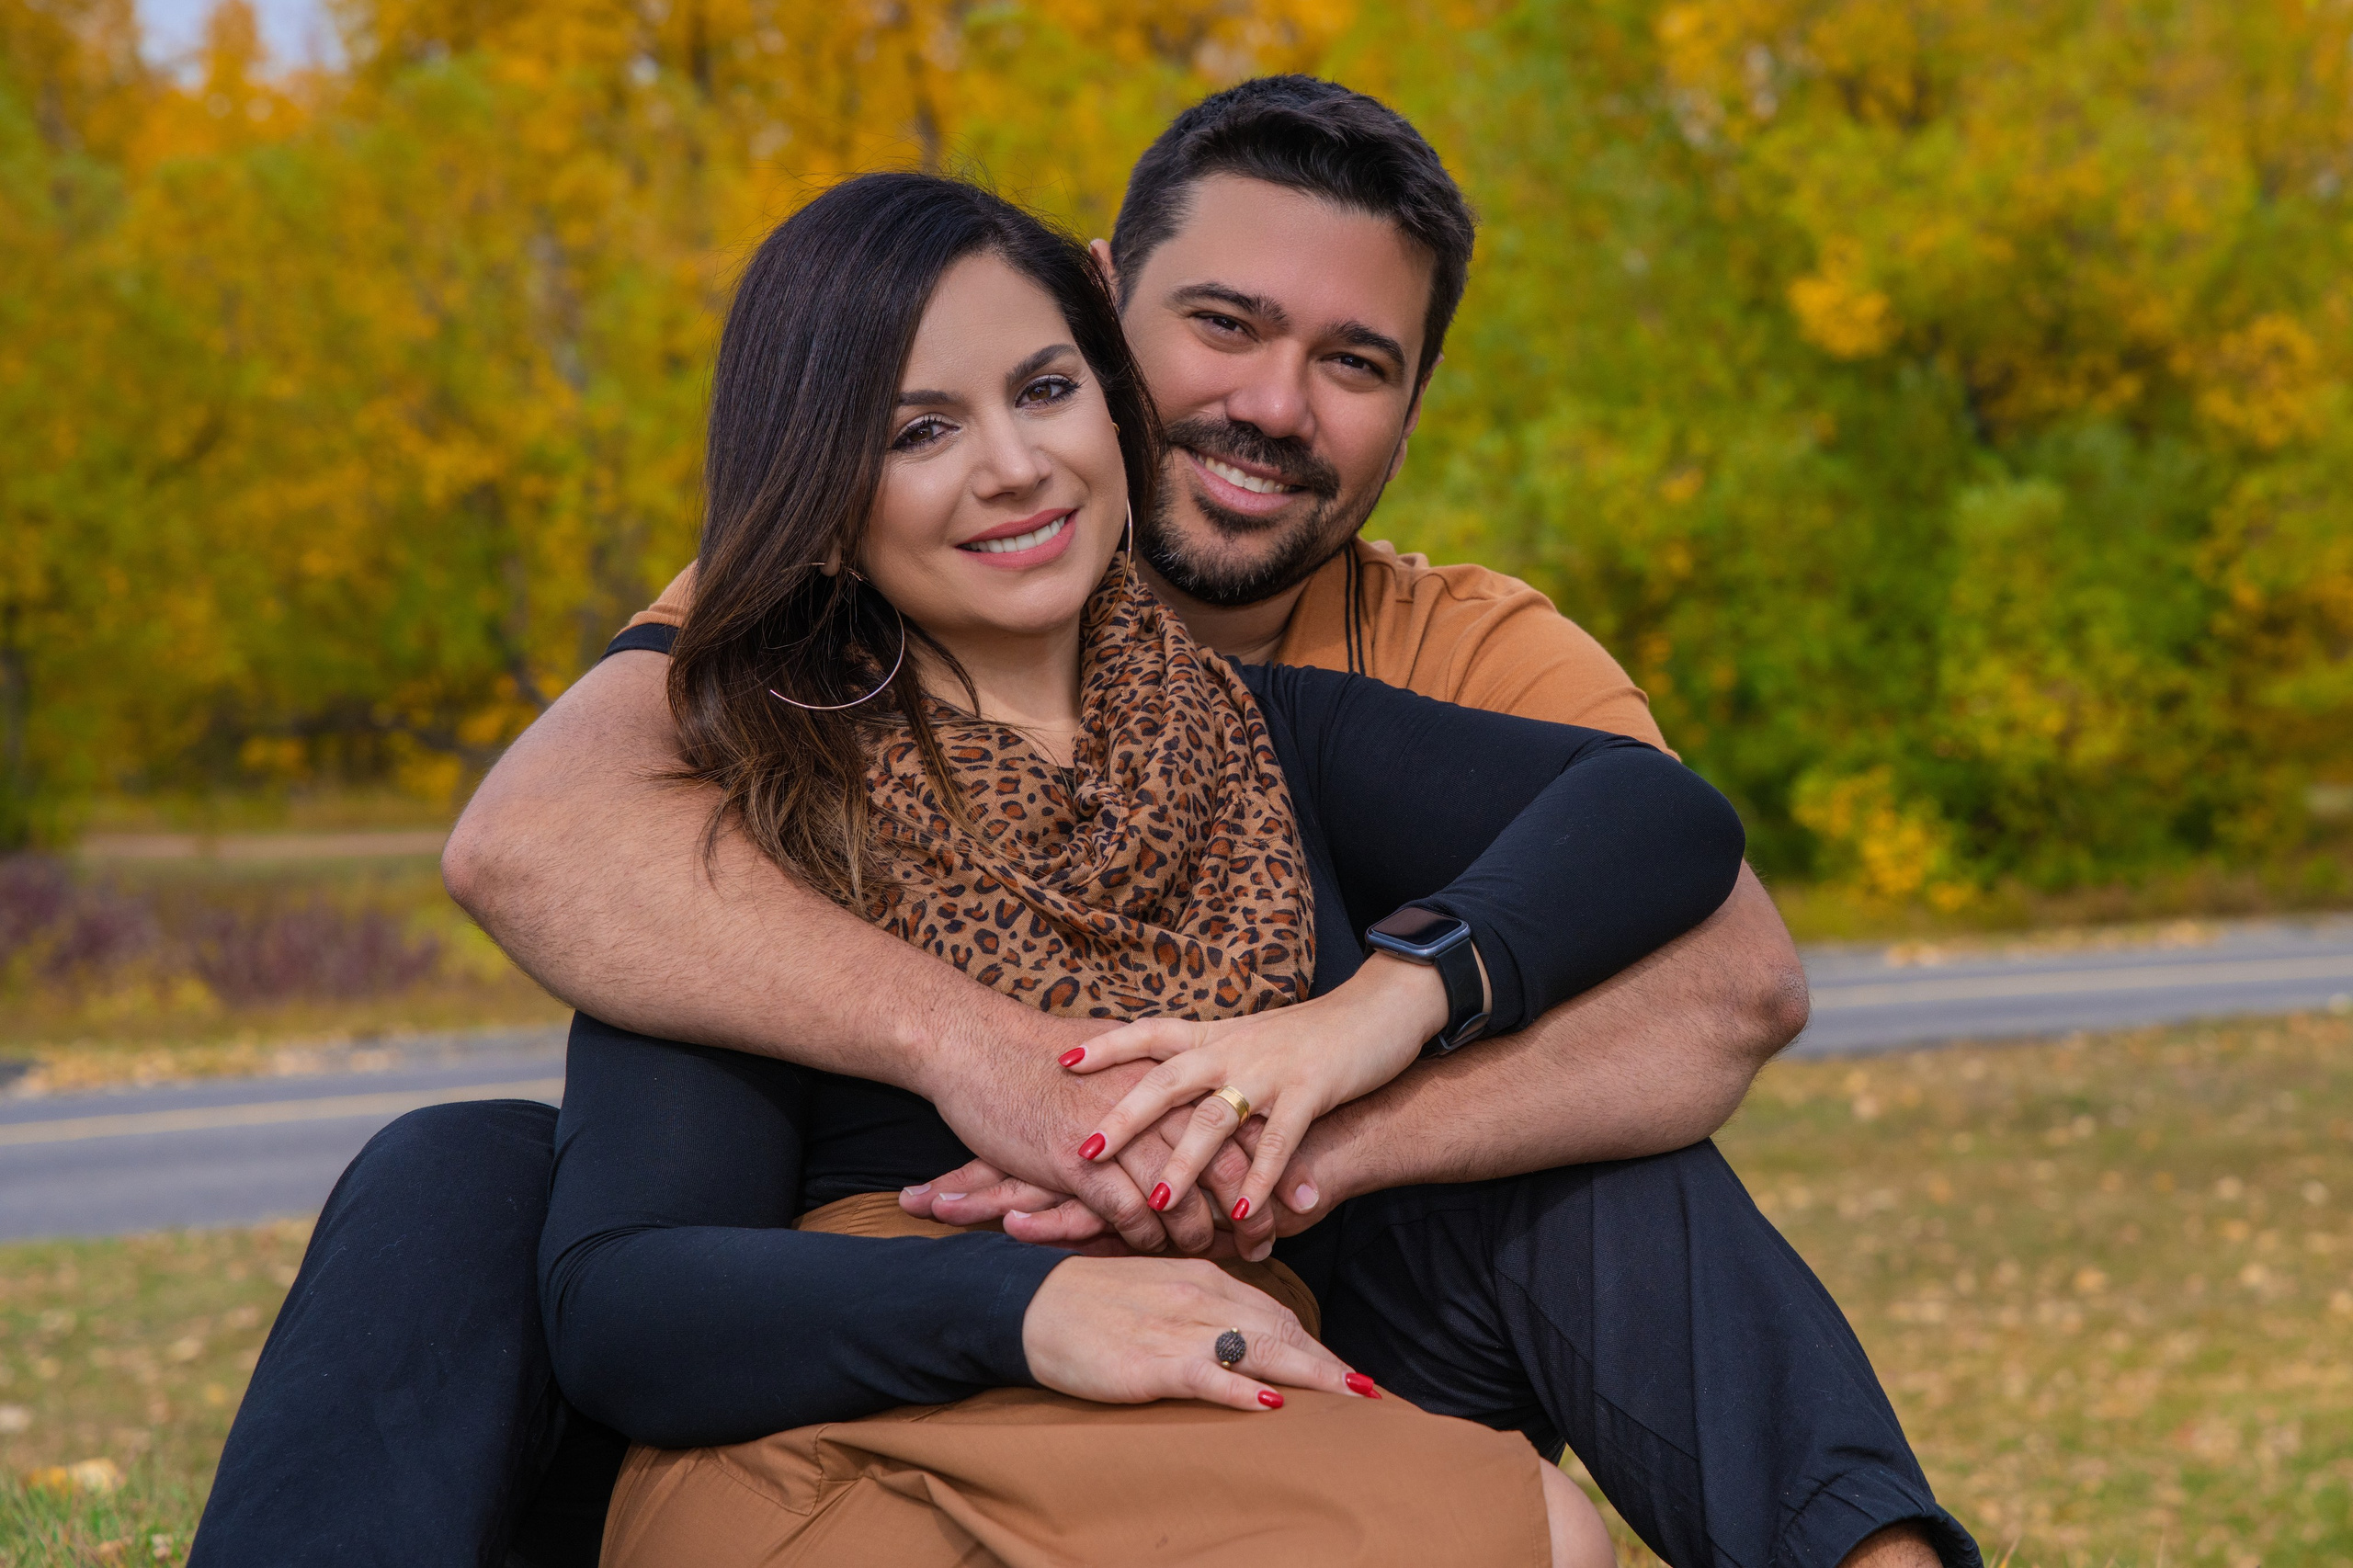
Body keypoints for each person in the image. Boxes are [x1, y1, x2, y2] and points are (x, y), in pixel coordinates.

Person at [190, 78, 1977, 1568]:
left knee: (1584, 1285)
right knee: (462, 1171)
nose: (1271, 404)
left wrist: (1321, 1075)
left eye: (1352, 360)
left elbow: (1707, 928)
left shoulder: (1376, 687)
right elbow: (534, 846)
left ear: (1411, 400)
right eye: (1221, 323)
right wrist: (998, 1077)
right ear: (1116, 312)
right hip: (852, 1348)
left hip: (1281, 1283)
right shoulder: (780, 702)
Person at [548, 167, 1756, 1565]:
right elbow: (622, 1302)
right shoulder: (756, 785)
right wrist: (1023, 1306)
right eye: (921, 428)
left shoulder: (1266, 732)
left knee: (1527, 1526)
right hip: (843, 1396)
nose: (1014, 463)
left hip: (1197, 1364)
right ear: (822, 499)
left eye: (1047, 390)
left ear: (1119, 415)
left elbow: (1659, 819)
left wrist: (1367, 1016)